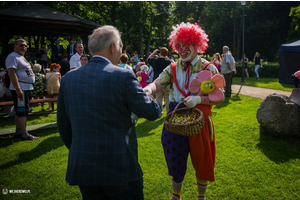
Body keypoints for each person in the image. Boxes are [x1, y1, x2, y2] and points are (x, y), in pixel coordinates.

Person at [57, 25, 161, 200]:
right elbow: (151, 112)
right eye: (120, 46)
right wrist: (149, 92)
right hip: (119, 166)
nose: (121, 51)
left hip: (84, 166)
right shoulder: (122, 76)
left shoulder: (68, 79)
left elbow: (63, 126)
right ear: (113, 46)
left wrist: (83, 149)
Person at [143, 22, 224, 200]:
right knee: (175, 157)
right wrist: (148, 90)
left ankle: (201, 198)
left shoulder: (208, 68)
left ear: (196, 44)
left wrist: (199, 99)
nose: (181, 49)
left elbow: (221, 96)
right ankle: (175, 196)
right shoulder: (172, 67)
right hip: (175, 119)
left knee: (202, 160)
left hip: (199, 121)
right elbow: (157, 82)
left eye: (185, 45)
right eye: (178, 45)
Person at [6, 39, 39, 140]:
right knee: (22, 111)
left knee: (20, 111)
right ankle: (25, 134)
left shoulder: (21, 57)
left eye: (25, 46)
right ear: (15, 46)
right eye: (21, 45)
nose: (24, 47)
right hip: (22, 87)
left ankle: (18, 131)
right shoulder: (12, 56)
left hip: (26, 87)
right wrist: (18, 89)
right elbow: (12, 73)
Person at [148, 47, 171, 114]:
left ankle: (159, 112)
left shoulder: (155, 60)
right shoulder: (168, 62)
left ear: (159, 53)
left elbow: (148, 59)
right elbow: (173, 63)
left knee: (158, 98)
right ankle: (168, 112)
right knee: (167, 98)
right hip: (167, 81)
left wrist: (154, 52)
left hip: (157, 82)